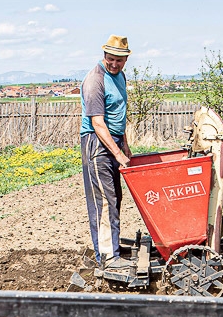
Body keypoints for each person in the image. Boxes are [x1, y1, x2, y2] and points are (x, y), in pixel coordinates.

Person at [81, 35, 133, 271]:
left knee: (115, 199)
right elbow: (98, 123)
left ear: (126, 59)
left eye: (119, 60)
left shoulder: (120, 76)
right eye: (110, 59)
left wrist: (125, 145)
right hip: (97, 144)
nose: (114, 64)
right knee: (104, 201)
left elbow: (118, 115)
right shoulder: (95, 80)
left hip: (113, 141)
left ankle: (111, 248)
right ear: (104, 56)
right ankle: (108, 258)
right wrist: (117, 153)